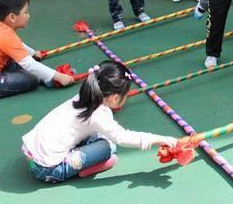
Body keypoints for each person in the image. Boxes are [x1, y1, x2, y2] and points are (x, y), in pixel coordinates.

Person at [22, 60, 177, 183]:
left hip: (29, 151)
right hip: (47, 169)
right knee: (108, 147)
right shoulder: (99, 114)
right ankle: (83, 170)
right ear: (115, 98)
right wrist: (159, 139)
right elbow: (122, 137)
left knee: (98, 135)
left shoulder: (86, 95)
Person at [0, 0, 74, 102]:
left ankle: (43, 75)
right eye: (25, 12)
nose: (28, 15)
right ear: (12, 17)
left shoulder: (1, 28)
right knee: (32, 79)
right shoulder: (6, 36)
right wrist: (59, 76)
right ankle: (47, 78)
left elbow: (19, 46)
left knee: (22, 62)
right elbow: (29, 63)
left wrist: (34, 53)